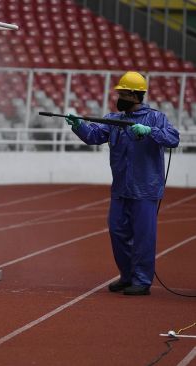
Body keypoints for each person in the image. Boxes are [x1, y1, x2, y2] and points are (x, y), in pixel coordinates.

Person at [65, 71, 180, 296]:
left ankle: (142, 280)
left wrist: (151, 132)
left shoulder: (156, 118)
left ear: (135, 95)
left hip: (145, 190)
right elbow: (93, 137)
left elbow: (173, 139)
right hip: (120, 189)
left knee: (143, 237)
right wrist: (78, 125)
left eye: (123, 93)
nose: (118, 97)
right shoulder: (114, 119)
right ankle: (127, 276)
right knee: (117, 231)